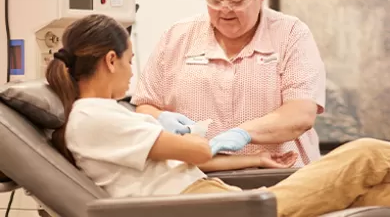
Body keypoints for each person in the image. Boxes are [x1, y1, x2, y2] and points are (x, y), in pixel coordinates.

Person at [46, 13, 390, 217]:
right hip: (203, 208)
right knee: (366, 154)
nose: (131, 70)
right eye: (129, 59)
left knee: (376, 194)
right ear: (110, 60)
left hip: (211, 198)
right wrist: (174, 129)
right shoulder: (93, 116)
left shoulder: (104, 114)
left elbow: (185, 161)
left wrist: (255, 158)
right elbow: (196, 153)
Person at [131, 0, 326, 167]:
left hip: (280, 172)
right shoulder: (178, 36)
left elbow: (300, 115)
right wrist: (161, 119)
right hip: (198, 174)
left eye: (236, 0)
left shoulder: (290, 34)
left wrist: (243, 133)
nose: (225, 9)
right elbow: (145, 105)